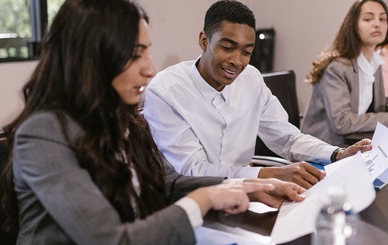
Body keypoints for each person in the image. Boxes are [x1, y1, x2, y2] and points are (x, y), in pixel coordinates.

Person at [0, 0, 308, 245]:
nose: (150, 68)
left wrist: (244, 188)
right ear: (92, 57)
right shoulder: (43, 133)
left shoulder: (123, 117)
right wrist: (204, 198)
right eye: (136, 55)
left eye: (147, 52)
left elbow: (166, 182)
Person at [143, 0, 372, 189]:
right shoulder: (166, 91)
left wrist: (337, 154)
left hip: (249, 193)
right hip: (194, 199)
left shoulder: (251, 79)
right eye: (227, 47)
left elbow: (286, 138)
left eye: (247, 52)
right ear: (204, 40)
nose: (237, 61)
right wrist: (268, 175)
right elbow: (194, 171)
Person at [300, 0, 388, 146]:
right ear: (353, 26)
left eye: (382, 19)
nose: (377, 24)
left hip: (354, 146)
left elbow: (380, 108)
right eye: (368, 19)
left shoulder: (375, 63)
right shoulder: (337, 68)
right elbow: (342, 122)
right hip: (324, 149)